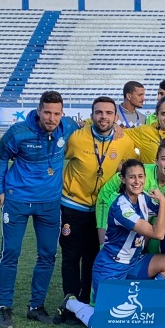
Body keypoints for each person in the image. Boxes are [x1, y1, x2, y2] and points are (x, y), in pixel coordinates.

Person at [54, 159, 165, 327]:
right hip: (110, 267)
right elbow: (157, 233)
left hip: (134, 263)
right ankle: (71, 302)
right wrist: (164, 202)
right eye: (132, 177)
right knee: (106, 323)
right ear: (123, 179)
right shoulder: (121, 207)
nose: (137, 181)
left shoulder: (144, 198)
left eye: (141, 176)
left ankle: (150, 305)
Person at [0, 90, 80, 328]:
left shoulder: (68, 127)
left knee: (47, 255)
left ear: (62, 114)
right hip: (18, 200)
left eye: (56, 114)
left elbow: (89, 127)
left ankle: (36, 306)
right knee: (10, 253)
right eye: (47, 112)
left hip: (50, 203)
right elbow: (1, 156)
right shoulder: (19, 132)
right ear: (39, 111)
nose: (52, 118)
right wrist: (0, 190)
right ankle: (4, 307)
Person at [60, 96, 137, 305]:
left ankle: (86, 300)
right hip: (73, 205)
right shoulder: (76, 138)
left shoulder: (124, 140)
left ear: (115, 116)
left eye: (109, 113)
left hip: (102, 210)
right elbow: (57, 156)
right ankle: (70, 301)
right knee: (71, 256)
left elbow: (130, 167)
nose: (104, 117)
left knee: (94, 256)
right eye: (99, 112)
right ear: (92, 115)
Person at [96, 139, 165, 244]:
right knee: (107, 245)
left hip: (148, 212)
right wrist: (103, 228)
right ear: (156, 160)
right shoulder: (140, 173)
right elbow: (111, 188)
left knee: (150, 244)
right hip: (112, 205)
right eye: (164, 159)